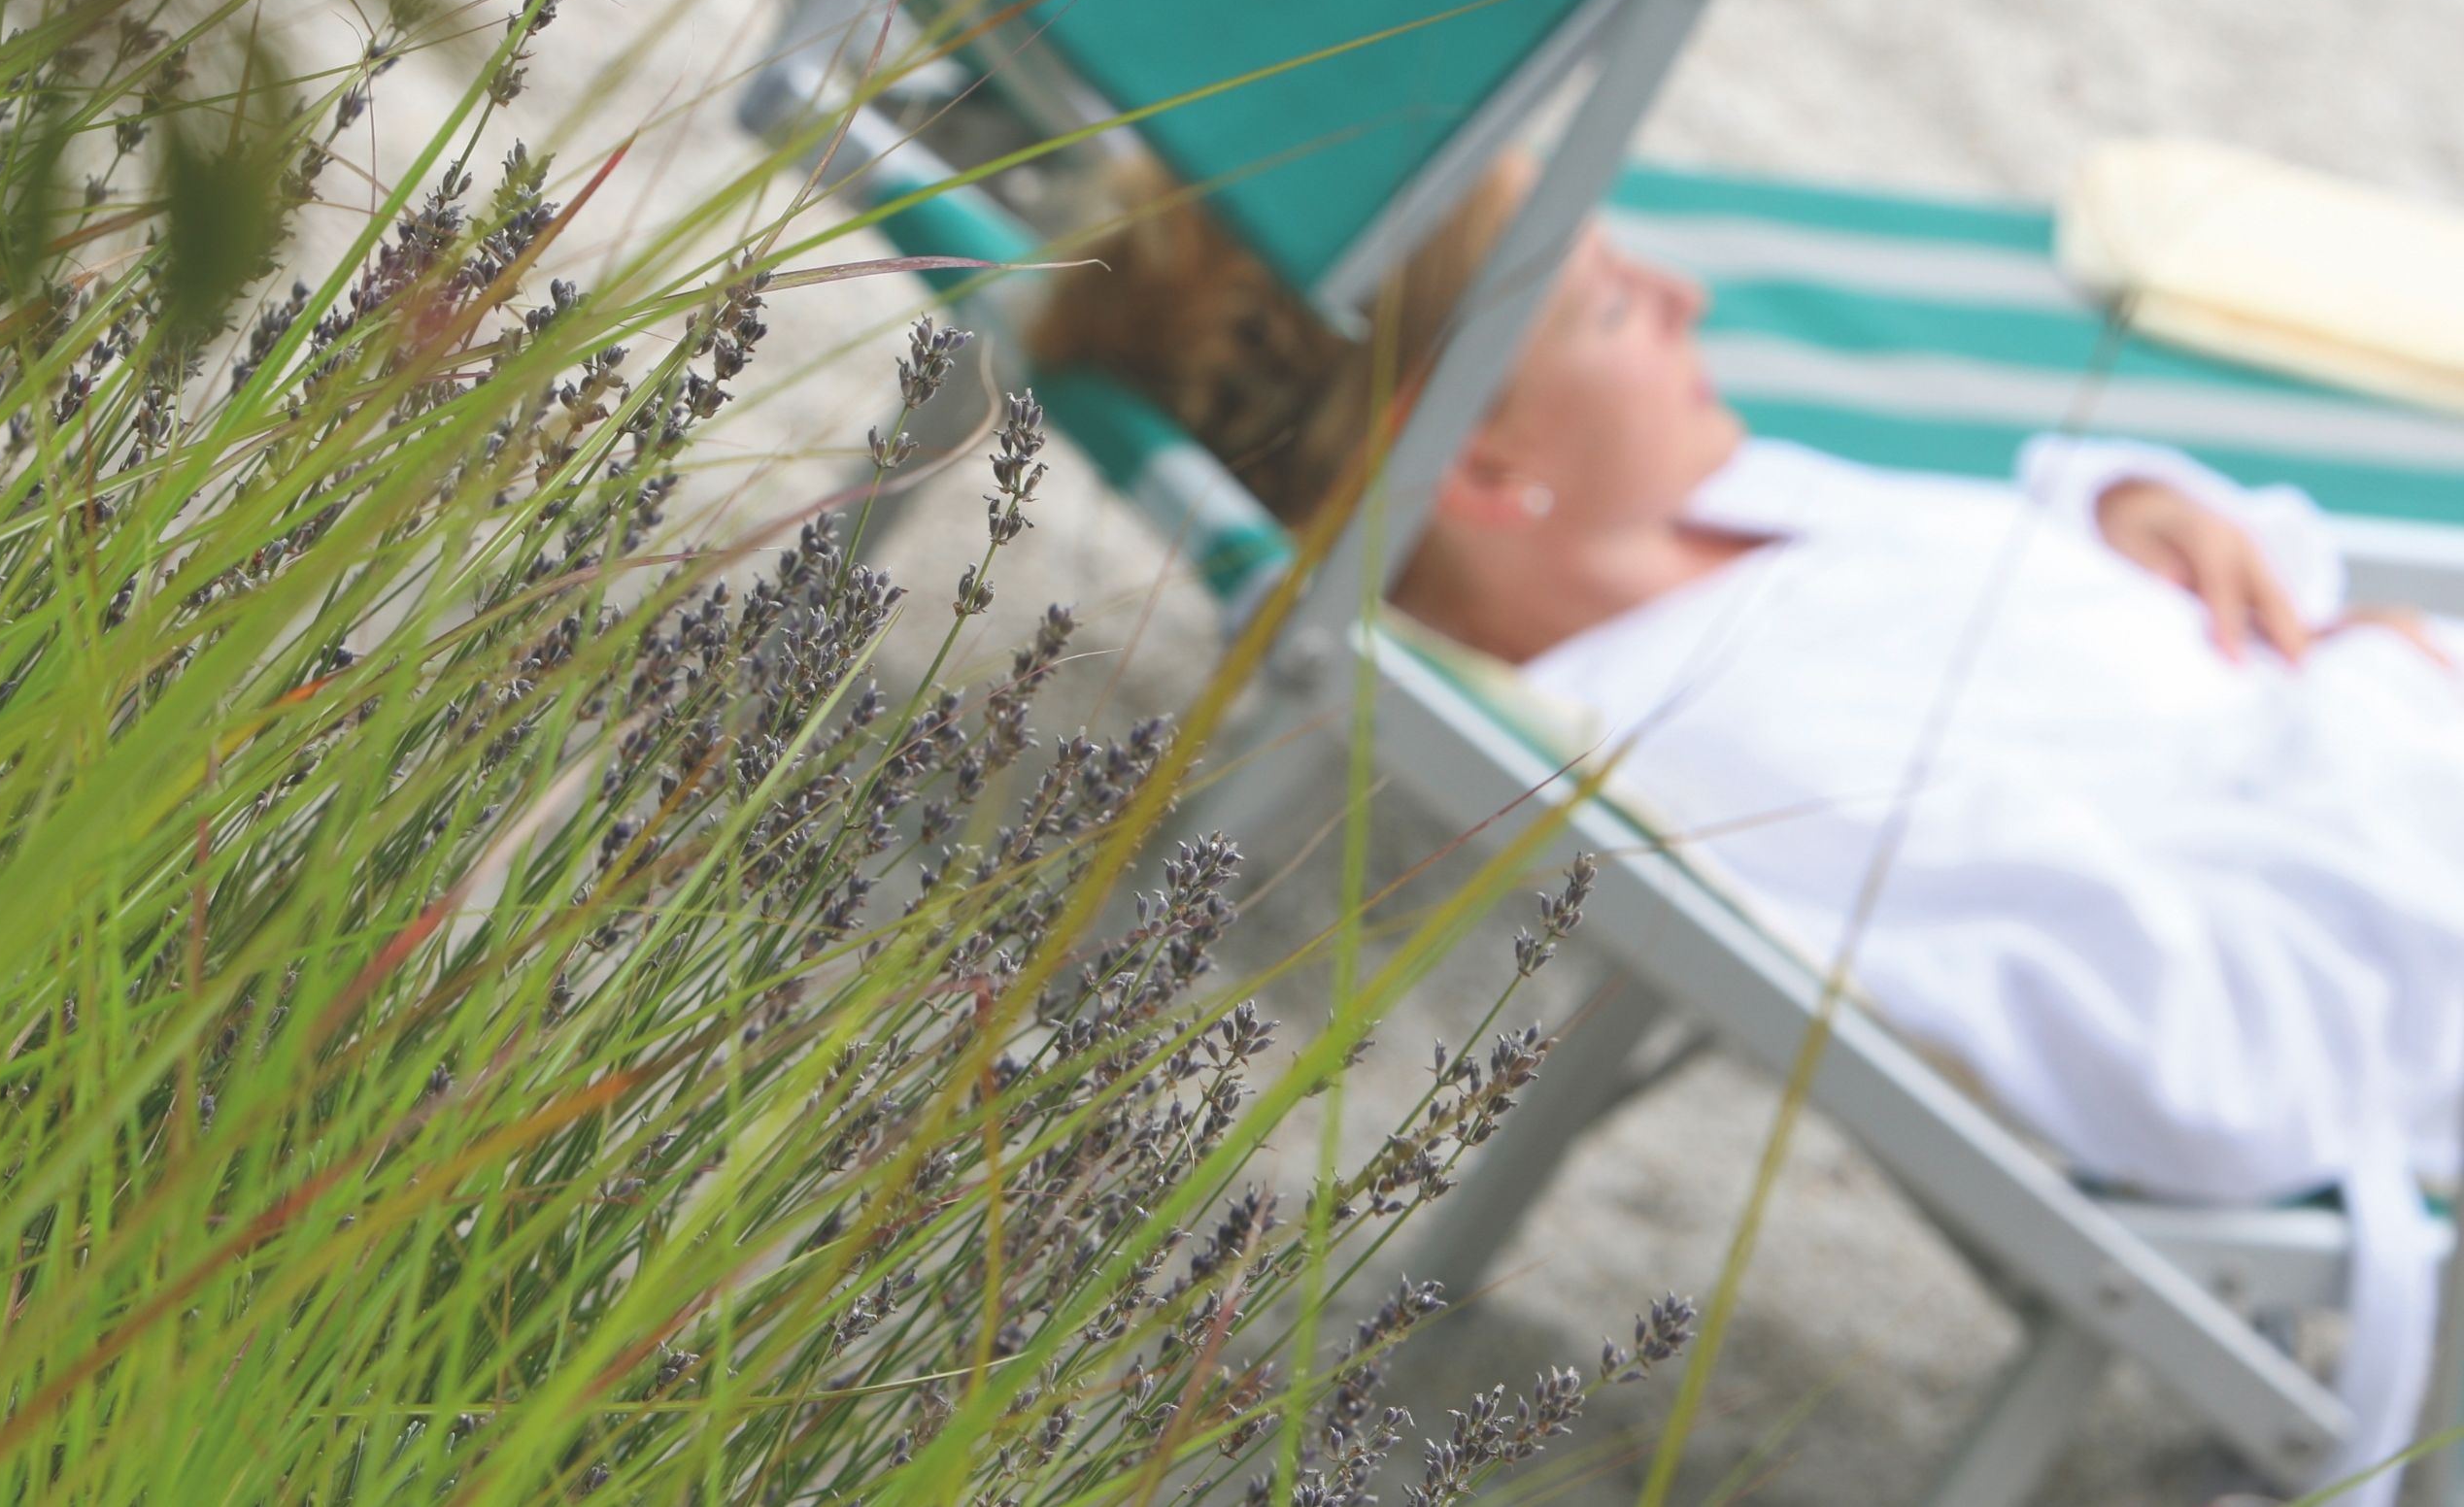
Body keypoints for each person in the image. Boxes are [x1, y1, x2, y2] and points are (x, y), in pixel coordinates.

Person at [1033, 153, 2464, 1501]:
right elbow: (2209, 1055)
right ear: (1479, 470)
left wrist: (2133, 504)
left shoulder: (1724, 526)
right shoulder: (1747, 736)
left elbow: (2038, 592)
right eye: (1611, 303)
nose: (1684, 297)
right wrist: (2380, 689)